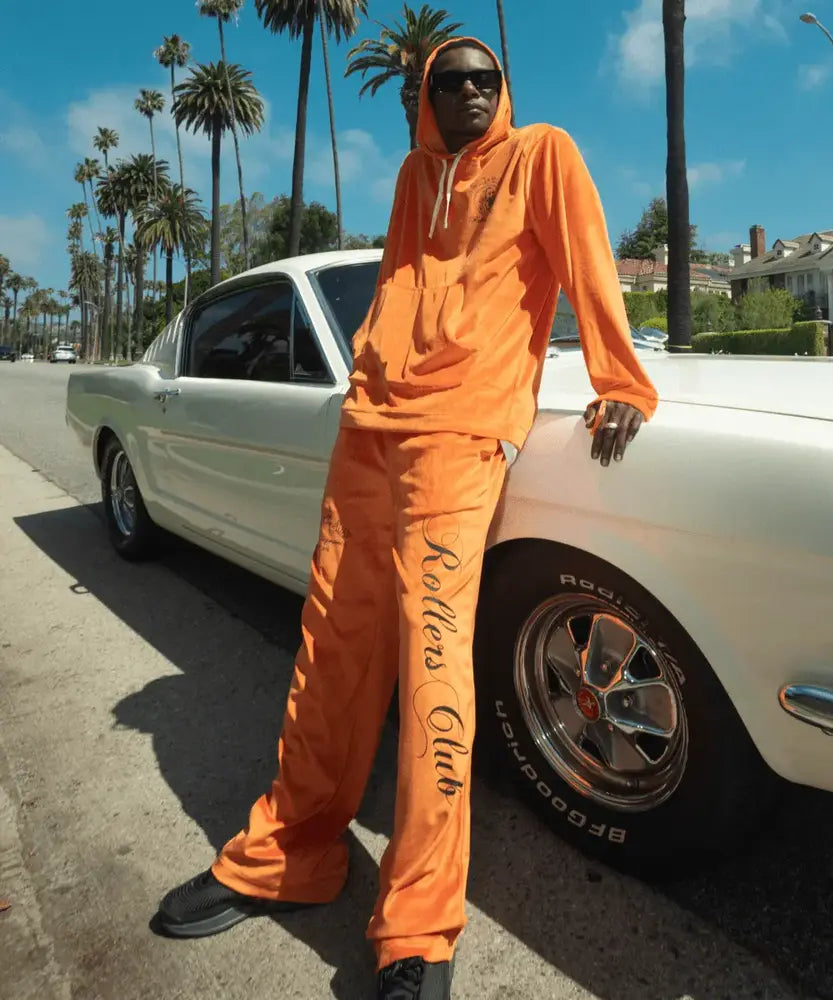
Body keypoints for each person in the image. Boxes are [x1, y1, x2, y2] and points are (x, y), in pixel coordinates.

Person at [157, 36, 658, 1000]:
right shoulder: (409, 172)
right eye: (448, 81)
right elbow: (397, 276)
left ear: (505, 92)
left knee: (434, 675)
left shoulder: (541, 153)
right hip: (370, 427)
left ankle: (419, 925)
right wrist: (367, 374)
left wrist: (620, 379)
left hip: (462, 437)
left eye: (486, 79)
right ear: (424, 96)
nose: (469, 92)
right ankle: (291, 856)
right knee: (331, 656)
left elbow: (589, 262)